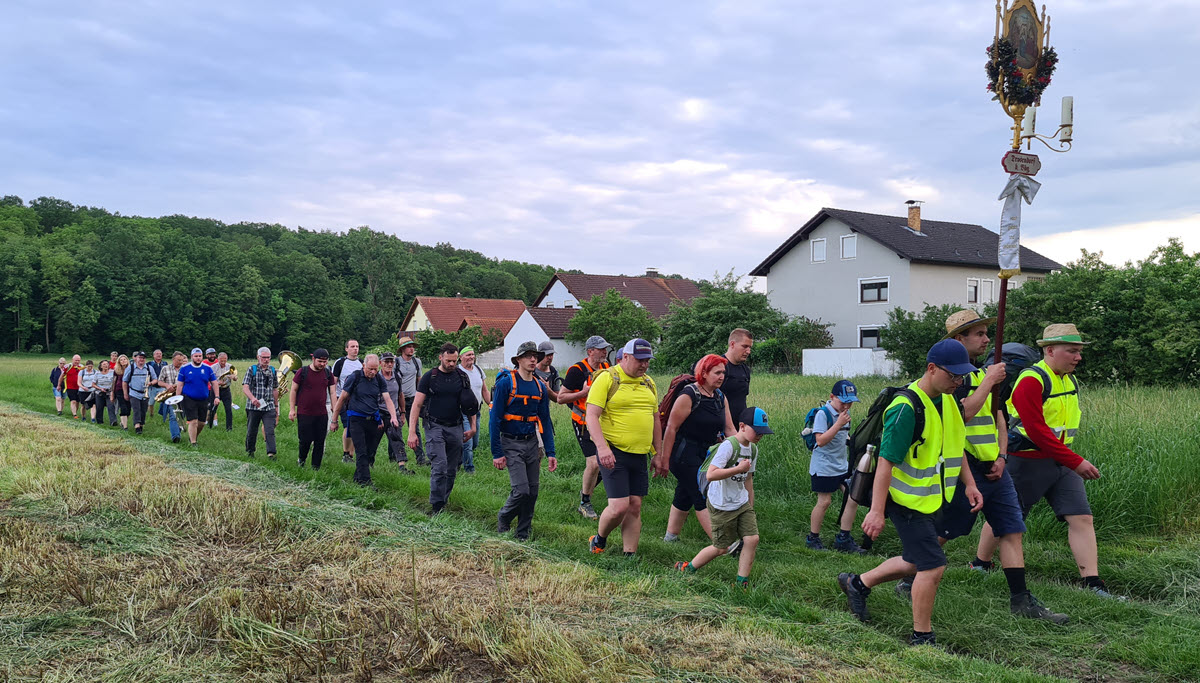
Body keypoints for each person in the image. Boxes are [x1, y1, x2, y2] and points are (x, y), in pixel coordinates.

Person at [892, 310, 1067, 623]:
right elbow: (964, 416)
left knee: (1012, 531)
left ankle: (1021, 600)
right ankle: (910, 576)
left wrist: (1002, 457)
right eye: (980, 334)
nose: (987, 340)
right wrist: (987, 381)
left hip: (995, 469)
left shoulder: (989, 378)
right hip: (966, 470)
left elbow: (999, 417)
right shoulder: (954, 380)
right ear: (960, 339)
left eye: (988, 333)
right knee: (948, 531)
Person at [838, 339, 983, 646]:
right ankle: (922, 636)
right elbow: (886, 464)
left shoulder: (948, 400)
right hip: (905, 501)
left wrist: (969, 483)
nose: (958, 382)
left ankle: (858, 583)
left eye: (962, 377)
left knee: (915, 560)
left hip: (933, 499)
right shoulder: (905, 408)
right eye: (953, 375)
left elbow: (955, 447)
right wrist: (877, 511)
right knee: (933, 565)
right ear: (932, 369)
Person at [977, 323, 1120, 599]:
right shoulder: (1032, 380)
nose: (1078, 357)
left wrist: (1068, 460)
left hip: (1060, 461)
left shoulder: (1068, 379)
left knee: (1081, 517)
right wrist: (1075, 461)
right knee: (1006, 516)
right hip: (1026, 461)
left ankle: (1093, 584)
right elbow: (1037, 430)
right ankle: (980, 564)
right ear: (1051, 350)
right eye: (1072, 351)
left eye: (1079, 351)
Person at [674, 406, 773, 588]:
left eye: (763, 432)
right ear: (742, 426)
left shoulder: (753, 450)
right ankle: (687, 568)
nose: (760, 436)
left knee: (752, 539)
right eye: (757, 431)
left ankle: (741, 583)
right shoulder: (728, 446)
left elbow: (748, 479)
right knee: (721, 547)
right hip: (721, 504)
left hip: (741, 502)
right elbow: (711, 475)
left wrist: (750, 504)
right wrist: (737, 469)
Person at [587, 338, 661, 557]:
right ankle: (599, 539)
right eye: (640, 360)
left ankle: (629, 555)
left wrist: (658, 453)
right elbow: (591, 416)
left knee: (635, 505)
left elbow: (655, 419)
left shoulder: (648, 382)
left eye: (647, 361)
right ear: (625, 357)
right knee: (619, 506)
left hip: (640, 454)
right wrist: (602, 448)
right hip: (613, 451)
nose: (644, 365)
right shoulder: (608, 378)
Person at [661, 354, 736, 543]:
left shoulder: (719, 396)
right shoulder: (689, 395)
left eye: (723, 373)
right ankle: (723, 544)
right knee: (702, 493)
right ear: (704, 372)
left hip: (704, 453)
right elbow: (671, 428)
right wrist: (664, 459)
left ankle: (670, 538)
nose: (721, 377)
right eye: (717, 372)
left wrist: (743, 447)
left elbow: (729, 428)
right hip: (682, 454)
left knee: (685, 493)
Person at [491, 342, 557, 540]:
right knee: (521, 490)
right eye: (527, 356)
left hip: (531, 443)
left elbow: (544, 420)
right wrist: (497, 453)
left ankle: (523, 533)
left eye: (535, 356)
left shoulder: (539, 387)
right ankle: (504, 515)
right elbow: (494, 420)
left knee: (533, 491)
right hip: (510, 443)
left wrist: (551, 452)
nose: (532, 359)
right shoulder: (506, 383)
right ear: (518, 359)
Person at [408, 343, 479, 514]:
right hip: (434, 426)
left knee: (452, 469)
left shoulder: (462, 377)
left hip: (456, 426)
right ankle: (436, 505)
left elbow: (470, 404)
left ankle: (444, 500)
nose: (452, 364)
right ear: (441, 357)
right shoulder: (430, 377)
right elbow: (417, 405)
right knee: (439, 466)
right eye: (449, 360)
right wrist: (412, 432)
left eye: (455, 361)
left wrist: (473, 427)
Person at [807, 380, 866, 554]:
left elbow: (843, 437)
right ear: (832, 397)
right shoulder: (823, 414)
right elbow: (820, 441)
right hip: (823, 467)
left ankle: (843, 538)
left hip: (841, 465)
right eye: (843, 402)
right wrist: (838, 424)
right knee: (824, 501)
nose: (847, 406)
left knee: (852, 497)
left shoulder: (844, 414)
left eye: (850, 402)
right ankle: (813, 538)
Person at [558, 335, 612, 520]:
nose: (605, 351)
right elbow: (560, 398)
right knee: (594, 462)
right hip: (582, 422)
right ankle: (585, 503)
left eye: (605, 348)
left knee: (608, 461)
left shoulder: (607, 368)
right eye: (601, 349)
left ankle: (585, 491)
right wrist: (584, 393)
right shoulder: (576, 371)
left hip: (603, 422)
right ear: (590, 351)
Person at [332, 354, 401, 487]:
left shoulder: (379, 379)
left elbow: (388, 399)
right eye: (370, 369)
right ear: (364, 366)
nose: (373, 372)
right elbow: (342, 399)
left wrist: (393, 416)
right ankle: (366, 482)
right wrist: (334, 420)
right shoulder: (355, 377)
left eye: (375, 369)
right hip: (356, 419)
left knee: (369, 451)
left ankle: (357, 478)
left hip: (372, 420)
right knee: (361, 451)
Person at [290, 348, 337, 469]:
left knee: (320, 441)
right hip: (304, 412)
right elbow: (293, 390)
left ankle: (316, 467)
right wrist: (292, 409)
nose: (322, 364)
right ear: (313, 359)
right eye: (320, 361)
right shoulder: (302, 372)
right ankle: (301, 460)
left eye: (325, 362)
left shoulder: (328, 374)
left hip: (321, 413)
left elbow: (332, 392)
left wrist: (334, 409)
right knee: (305, 440)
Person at [241, 347, 280, 459]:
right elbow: (245, 387)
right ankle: (250, 451)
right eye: (263, 357)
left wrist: (276, 405)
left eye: (268, 357)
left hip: (269, 406)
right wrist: (253, 398)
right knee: (252, 430)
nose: (266, 360)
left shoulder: (272, 370)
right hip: (253, 406)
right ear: (258, 357)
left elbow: (275, 389)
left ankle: (271, 453)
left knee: (269, 430)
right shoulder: (252, 369)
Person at [176, 347, 219, 447]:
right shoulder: (184, 369)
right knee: (193, 421)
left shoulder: (207, 369)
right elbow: (180, 385)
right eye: (196, 356)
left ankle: (193, 436)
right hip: (189, 398)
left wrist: (217, 396)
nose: (198, 358)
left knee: (202, 423)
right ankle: (193, 443)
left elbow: (214, 383)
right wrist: (177, 398)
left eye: (200, 356)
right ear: (192, 357)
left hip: (203, 398)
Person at [458, 345, 491, 474]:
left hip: (476, 411)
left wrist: (491, 404)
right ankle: (469, 470)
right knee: (468, 442)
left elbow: (484, 390)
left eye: (472, 354)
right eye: (468, 355)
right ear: (461, 357)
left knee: (475, 441)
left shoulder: (478, 369)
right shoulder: (457, 372)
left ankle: (457, 459)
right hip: (462, 412)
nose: (471, 357)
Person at [378, 352, 412, 473]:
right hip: (379, 413)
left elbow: (400, 395)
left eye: (391, 361)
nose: (389, 364)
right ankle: (368, 464)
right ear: (380, 363)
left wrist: (402, 413)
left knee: (397, 439)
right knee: (373, 440)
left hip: (394, 413)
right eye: (386, 362)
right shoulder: (376, 377)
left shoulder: (397, 376)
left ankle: (402, 466)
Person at [396, 336, 426, 466]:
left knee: (415, 429)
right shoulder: (396, 362)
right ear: (403, 349)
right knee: (395, 428)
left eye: (412, 346)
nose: (412, 348)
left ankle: (421, 458)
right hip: (398, 400)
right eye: (409, 346)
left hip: (413, 399)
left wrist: (422, 397)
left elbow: (419, 379)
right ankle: (394, 455)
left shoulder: (416, 362)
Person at [332, 339, 363, 464]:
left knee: (356, 426)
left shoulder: (361, 363)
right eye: (352, 346)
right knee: (348, 425)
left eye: (357, 346)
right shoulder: (340, 363)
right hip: (343, 399)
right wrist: (334, 403)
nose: (355, 349)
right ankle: (346, 453)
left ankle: (351, 453)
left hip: (359, 399)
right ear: (346, 349)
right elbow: (333, 383)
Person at [721, 329, 754, 425]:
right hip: (719, 430)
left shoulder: (745, 370)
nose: (748, 351)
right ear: (732, 344)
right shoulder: (718, 367)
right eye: (744, 346)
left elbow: (742, 400)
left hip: (739, 429)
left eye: (750, 347)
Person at [123, 351, 158, 435]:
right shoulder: (130, 368)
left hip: (145, 393)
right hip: (134, 392)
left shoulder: (149, 368)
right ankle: (137, 426)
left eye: (143, 358)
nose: (141, 359)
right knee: (136, 409)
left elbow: (155, 379)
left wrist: (151, 383)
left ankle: (141, 424)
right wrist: (125, 393)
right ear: (136, 358)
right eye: (140, 357)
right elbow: (124, 381)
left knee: (143, 410)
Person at [157, 351, 185, 442]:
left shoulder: (185, 369)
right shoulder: (165, 368)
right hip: (170, 396)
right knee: (173, 415)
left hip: (183, 395)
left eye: (181, 360)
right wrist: (167, 386)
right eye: (178, 360)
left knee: (181, 415)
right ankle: (175, 437)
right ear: (173, 359)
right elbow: (159, 382)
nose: (180, 362)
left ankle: (178, 429)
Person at [208, 351, 235, 431]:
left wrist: (233, 377)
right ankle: (210, 426)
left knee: (228, 409)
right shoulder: (213, 367)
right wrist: (217, 382)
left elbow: (235, 378)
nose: (223, 362)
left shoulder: (230, 366)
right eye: (221, 361)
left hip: (226, 390)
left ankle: (229, 428)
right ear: (218, 359)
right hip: (216, 390)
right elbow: (209, 380)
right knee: (212, 408)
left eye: (225, 360)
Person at [111, 354, 131, 428]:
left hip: (129, 390)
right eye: (121, 360)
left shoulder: (131, 369)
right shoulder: (116, 370)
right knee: (123, 407)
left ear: (127, 360)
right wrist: (112, 393)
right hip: (119, 390)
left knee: (128, 409)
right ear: (119, 362)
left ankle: (123, 422)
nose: (123, 361)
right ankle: (125, 427)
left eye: (124, 359)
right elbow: (114, 382)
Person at [93, 360, 114, 425]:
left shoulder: (112, 372)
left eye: (107, 364)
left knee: (110, 406)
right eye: (104, 364)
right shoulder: (97, 373)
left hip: (109, 392)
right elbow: (93, 384)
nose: (106, 366)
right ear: (101, 366)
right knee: (99, 407)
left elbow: (114, 381)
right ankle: (100, 421)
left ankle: (113, 421)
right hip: (99, 392)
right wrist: (100, 388)